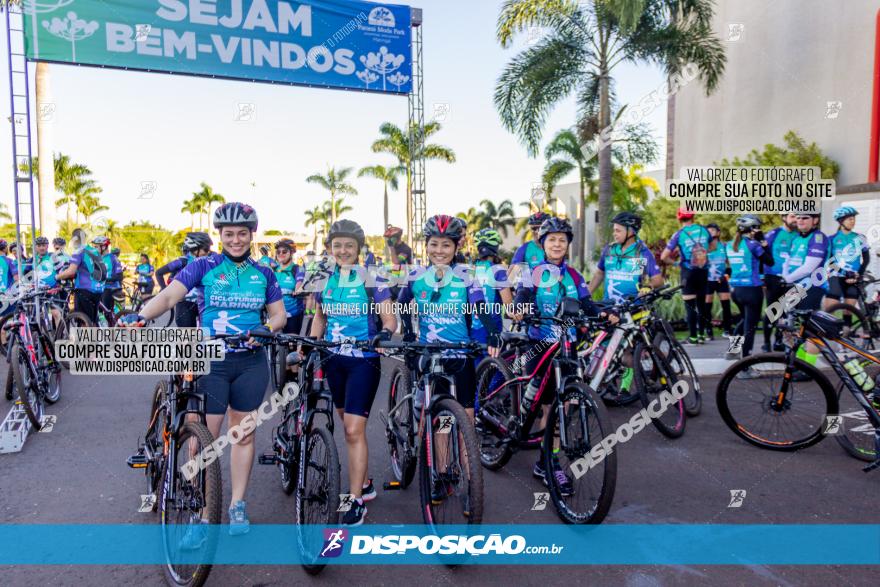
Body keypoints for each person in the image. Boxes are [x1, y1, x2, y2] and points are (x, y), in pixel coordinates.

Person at [127, 202, 286, 538]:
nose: (236, 240)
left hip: (250, 362)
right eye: (229, 234)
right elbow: (170, 297)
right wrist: (142, 316)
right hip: (211, 360)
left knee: (243, 434)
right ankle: (201, 509)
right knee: (204, 439)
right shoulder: (203, 266)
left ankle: (237, 505)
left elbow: (279, 315)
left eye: (243, 233)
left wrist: (267, 329)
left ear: (251, 235)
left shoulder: (265, 273)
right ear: (221, 236)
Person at [397, 214, 500, 508]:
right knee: (439, 420)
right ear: (426, 245)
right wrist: (407, 333)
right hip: (432, 357)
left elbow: (480, 306)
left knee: (466, 421)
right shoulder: (417, 277)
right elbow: (403, 303)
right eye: (434, 244)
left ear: (456, 246)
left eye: (446, 245)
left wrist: (493, 332)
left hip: (460, 356)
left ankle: (472, 484)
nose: (439, 250)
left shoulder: (467, 276)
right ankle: (442, 475)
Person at [309, 220, 397, 526]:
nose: (343, 250)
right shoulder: (322, 277)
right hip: (333, 359)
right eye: (337, 245)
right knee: (346, 423)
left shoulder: (371, 276)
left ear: (358, 248)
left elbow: (390, 317)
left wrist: (385, 333)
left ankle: (356, 500)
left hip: (364, 360)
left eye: (349, 245)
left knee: (352, 430)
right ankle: (367, 483)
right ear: (330, 248)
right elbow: (319, 317)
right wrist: (310, 346)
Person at [514, 217, 599, 496]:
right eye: (552, 239)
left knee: (559, 406)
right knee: (544, 401)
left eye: (562, 239)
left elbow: (587, 304)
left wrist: (603, 314)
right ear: (543, 244)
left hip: (567, 346)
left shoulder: (574, 276)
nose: (558, 244)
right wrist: (522, 309)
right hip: (541, 344)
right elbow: (523, 297)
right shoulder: (534, 273)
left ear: (568, 245)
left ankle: (547, 461)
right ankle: (526, 409)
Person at [724, 216, 774, 376]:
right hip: (752, 290)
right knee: (750, 328)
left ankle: (733, 351)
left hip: (736, 290)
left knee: (744, 321)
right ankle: (745, 367)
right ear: (752, 229)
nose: (760, 230)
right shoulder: (753, 245)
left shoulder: (730, 245)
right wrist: (764, 243)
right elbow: (770, 261)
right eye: (758, 227)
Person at [782, 210, 828, 376]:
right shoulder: (796, 237)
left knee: (809, 330)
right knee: (790, 327)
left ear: (815, 220)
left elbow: (810, 267)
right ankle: (798, 365)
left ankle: (809, 370)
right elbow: (788, 260)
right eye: (798, 217)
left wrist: (786, 278)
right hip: (794, 286)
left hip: (812, 287)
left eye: (805, 218)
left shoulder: (818, 238)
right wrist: (785, 277)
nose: (800, 220)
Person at [661, 209, 711, 344]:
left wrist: (677, 263)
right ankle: (701, 335)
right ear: (693, 217)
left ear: (679, 218)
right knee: (702, 305)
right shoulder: (704, 230)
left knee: (690, 306)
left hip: (688, 272)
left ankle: (693, 337)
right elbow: (711, 247)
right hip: (703, 270)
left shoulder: (679, 234)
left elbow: (664, 256)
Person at [590, 212, 663, 303]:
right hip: (609, 308)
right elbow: (599, 274)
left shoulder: (642, 252)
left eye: (618, 231)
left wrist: (648, 287)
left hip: (632, 309)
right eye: (614, 230)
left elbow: (658, 280)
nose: (614, 234)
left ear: (630, 231)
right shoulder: (609, 250)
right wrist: (587, 294)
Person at [824, 206, 871, 324]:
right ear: (841, 221)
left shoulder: (860, 238)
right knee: (828, 310)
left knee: (849, 311)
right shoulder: (832, 239)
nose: (853, 221)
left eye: (854, 218)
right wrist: (845, 273)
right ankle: (823, 335)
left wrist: (857, 275)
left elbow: (866, 259)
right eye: (850, 219)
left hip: (853, 279)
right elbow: (829, 262)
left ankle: (846, 336)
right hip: (836, 277)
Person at [471, 229, 513, 359]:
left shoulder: (469, 269)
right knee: (495, 369)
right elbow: (508, 303)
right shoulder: (498, 270)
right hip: (492, 327)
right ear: (495, 247)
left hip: (472, 327)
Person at [156, 232, 213, 327]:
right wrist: (164, 289)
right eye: (206, 249)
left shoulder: (210, 261)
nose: (208, 252)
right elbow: (159, 273)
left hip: (204, 304)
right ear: (195, 249)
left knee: (208, 338)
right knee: (188, 340)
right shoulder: (182, 261)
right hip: (185, 305)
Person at [760, 213, 798, 352]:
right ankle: (766, 343)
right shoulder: (773, 234)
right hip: (773, 277)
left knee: (787, 311)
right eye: (792, 216)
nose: (795, 220)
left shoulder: (799, 235)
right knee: (772, 311)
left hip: (792, 278)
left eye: (797, 217)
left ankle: (779, 341)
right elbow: (762, 254)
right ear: (784, 218)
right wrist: (762, 275)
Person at [56, 235, 107, 324]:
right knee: (92, 321)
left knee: (84, 322)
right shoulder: (93, 251)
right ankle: (93, 336)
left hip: (84, 290)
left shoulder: (78, 251)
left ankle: (85, 337)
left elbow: (71, 271)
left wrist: (57, 277)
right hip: (98, 290)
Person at [704, 223, 733, 339]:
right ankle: (708, 331)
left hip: (722, 281)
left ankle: (727, 330)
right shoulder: (704, 247)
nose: (710, 232)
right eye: (708, 231)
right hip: (708, 281)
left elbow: (730, 265)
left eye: (712, 230)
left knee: (726, 306)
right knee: (707, 307)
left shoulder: (724, 246)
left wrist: (725, 276)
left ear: (718, 232)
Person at [384, 225, 413, 333]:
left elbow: (396, 262)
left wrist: (391, 248)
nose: (388, 241)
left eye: (390, 239)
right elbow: (394, 267)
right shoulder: (396, 248)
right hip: (395, 281)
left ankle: (408, 333)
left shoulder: (405, 249)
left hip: (404, 282)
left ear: (397, 237)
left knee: (403, 309)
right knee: (382, 303)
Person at [273, 238, 305, 334]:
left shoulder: (298, 269)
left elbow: (300, 282)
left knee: (291, 345)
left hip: (292, 314)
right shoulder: (273, 270)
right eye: (278, 252)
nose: (280, 254)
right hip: (275, 315)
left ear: (291, 253)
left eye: (284, 251)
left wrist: (298, 289)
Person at [510, 212, 551, 285]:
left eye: (540, 228)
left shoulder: (557, 247)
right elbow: (511, 276)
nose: (536, 231)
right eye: (533, 228)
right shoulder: (524, 249)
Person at [101, 241, 124, 315]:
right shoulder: (97, 258)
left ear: (103, 247)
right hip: (101, 288)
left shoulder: (113, 258)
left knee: (112, 313)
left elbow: (120, 276)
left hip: (111, 288)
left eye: (96, 247)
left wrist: (105, 279)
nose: (94, 249)